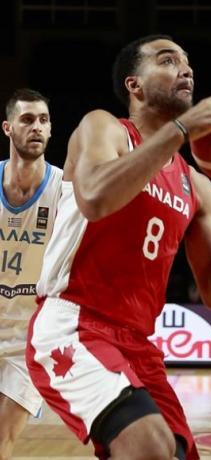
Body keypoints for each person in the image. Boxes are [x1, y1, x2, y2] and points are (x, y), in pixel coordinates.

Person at [25, 35, 211, 460]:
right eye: (167, 60)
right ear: (134, 85)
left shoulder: (197, 185)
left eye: (187, 62)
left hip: (138, 343)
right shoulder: (104, 128)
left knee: (172, 453)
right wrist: (182, 129)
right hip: (73, 325)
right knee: (149, 447)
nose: (186, 69)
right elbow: (96, 198)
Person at [0, 88, 62, 459]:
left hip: (30, 338)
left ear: (51, 130)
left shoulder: (65, 191)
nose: (36, 126)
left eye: (43, 120)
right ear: (8, 128)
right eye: (27, 119)